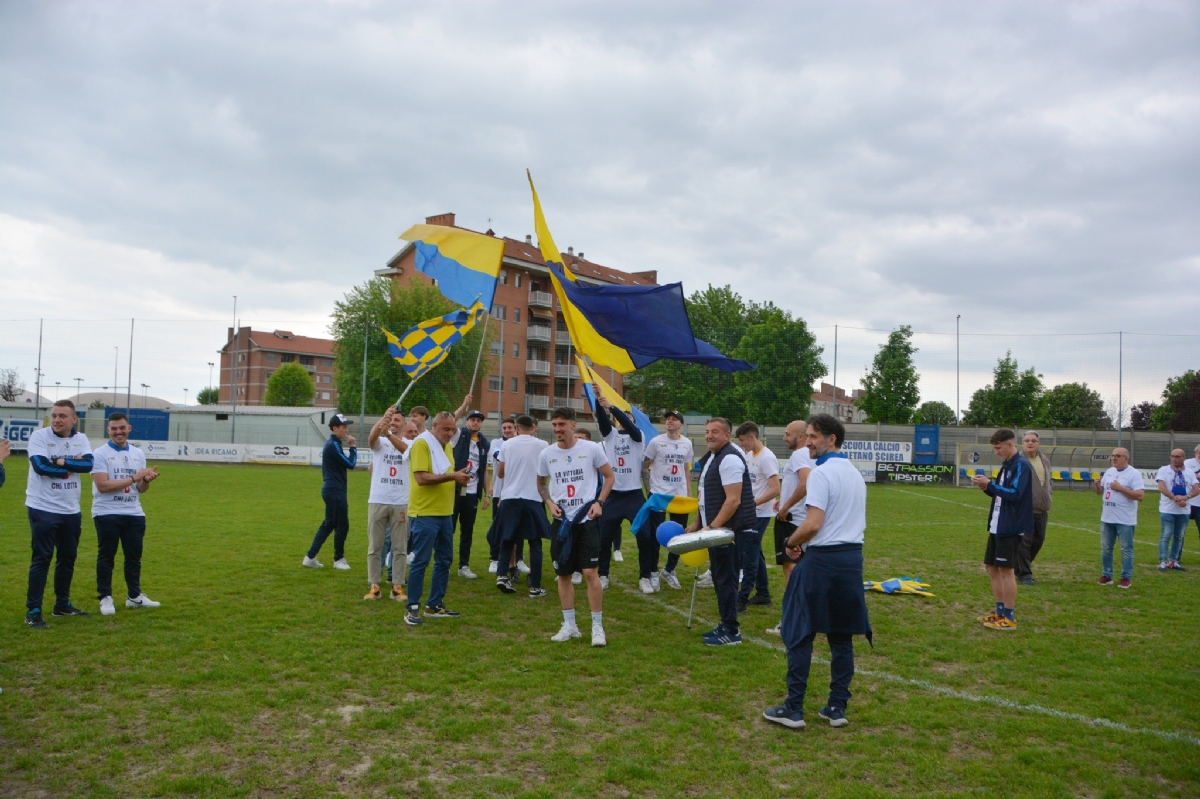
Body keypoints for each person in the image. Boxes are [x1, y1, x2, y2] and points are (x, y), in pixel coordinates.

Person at [763, 413, 871, 730]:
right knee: (841, 637)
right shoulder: (854, 473)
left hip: (822, 559)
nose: (807, 442)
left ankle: (793, 709)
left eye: (812, 437)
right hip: (852, 561)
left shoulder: (822, 474)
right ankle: (836, 708)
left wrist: (791, 544)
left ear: (831, 439)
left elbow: (813, 523)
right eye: (807, 436)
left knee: (799, 632)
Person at [538, 406, 615, 646]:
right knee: (563, 575)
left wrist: (600, 502)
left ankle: (597, 627)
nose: (557, 429)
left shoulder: (591, 449)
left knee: (591, 573)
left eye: (562, 425)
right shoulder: (547, 453)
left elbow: (609, 476)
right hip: (562, 523)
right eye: (554, 425)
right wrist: (549, 502)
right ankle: (570, 625)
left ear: (573, 425)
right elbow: (541, 483)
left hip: (586, 520)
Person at [24, 400, 94, 628]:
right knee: (42, 558)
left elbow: (89, 465)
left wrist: (60, 461)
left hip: (70, 509)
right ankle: (33, 610)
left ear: (74, 419)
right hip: (42, 506)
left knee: (67, 558)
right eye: (54, 415)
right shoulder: (39, 437)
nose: (56, 420)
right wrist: (73, 464)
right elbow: (40, 467)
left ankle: (61, 605)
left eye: (62, 416)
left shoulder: (81, 439)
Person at [689, 417, 756, 647]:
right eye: (707, 431)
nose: (709, 435)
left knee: (726, 580)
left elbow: (733, 501)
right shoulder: (715, 457)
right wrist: (699, 522)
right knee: (720, 579)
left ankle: (732, 631)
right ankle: (725, 624)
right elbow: (706, 496)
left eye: (715, 431)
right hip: (717, 531)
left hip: (728, 532)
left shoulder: (729, 459)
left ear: (727, 435)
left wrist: (712, 527)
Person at [91, 412, 161, 616]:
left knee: (133, 557)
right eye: (114, 428)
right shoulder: (100, 453)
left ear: (129, 428)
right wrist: (134, 478)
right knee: (106, 556)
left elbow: (140, 489)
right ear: (108, 430)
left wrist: (146, 479)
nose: (118, 432)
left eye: (122, 428)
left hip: (134, 513)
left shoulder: (137, 453)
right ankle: (105, 597)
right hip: (107, 512)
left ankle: (134, 596)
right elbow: (102, 486)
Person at [404, 411, 471, 625]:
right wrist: (453, 476)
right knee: (421, 561)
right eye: (445, 429)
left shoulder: (447, 446)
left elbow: (444, 473)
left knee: (444, 560)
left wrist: (459, 475)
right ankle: (412, 608)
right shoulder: (422, 444)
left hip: (444, 513)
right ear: (434, 426)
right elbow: (421, 478)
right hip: (424, 513)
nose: (449, 433)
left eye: (452, 430)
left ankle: (435, 604)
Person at [970, 428, 1031, 631]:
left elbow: (1015, 494)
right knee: (991, 568)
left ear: (1010, 444)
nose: (997, 452)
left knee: (1006, 570)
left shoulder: (1021, 465)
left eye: (998, 448)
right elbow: (1000, 495)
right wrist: (986, 488)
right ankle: (999, 612)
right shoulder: (1006, 466)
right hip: (998, 525)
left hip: (1010, 526)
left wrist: (991, 485)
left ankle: (1009, 616)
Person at [594, 390, 646, 591]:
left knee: (644, 536)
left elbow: (631, 427)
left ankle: (645, 576)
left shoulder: (638, 437)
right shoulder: (609, 436)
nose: (623, 421)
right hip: (613, 495)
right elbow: (602, 421)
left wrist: (611, 407)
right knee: (604, 538)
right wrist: (599, 403)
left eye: (628, 418)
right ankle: (603, 574)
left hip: (634, 495)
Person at [494, 415, 550, 597]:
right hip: (533, 497)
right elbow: (546, 472)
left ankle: (502, 575)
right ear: (533, 426)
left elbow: (500, 472)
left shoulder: (507, 444)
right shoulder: (542, 445)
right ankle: (535, 585)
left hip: (510, 497)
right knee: (535, 541)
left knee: (507, 538)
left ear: (516, 427)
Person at [768, 420, 813, 636]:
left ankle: (790, 622)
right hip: (804, 519)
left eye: (788, 434)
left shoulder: (799, 455)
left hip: (792, 522)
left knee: (791, 571)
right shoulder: (813, 456)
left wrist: (786, 507)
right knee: (803, 571)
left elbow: (806, 483)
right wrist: (785, 500)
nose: (785, 438)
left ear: (802, 436)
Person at [640, 410, 693, 592]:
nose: (670, 421)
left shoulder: (687, 443)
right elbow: (645, 467)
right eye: (668, 418)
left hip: (679, 496)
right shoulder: (656, 442)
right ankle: (653, 572)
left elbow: (686, 468)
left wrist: (688, 492)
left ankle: (669, 570)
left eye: (674, 419)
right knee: (656, 536)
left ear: (681, 425)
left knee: (679, 536)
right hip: (659, 495)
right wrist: (650, 491)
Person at [365, 408, 410, 602]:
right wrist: (381, 422)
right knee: (375, 545)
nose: (393, 422)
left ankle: (397, 586)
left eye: (397, 420)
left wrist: (388, 433)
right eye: (390, 420)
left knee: (400, 547)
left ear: (404, 424)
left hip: (400, 501)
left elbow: (405, 451)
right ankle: (374, 585)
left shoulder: (410, 443)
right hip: (378, 499)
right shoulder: (380, 442)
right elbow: (371, 439)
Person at [303, 413, 357, 570]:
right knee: (342, 524)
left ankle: (310, 557)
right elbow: (350, 463)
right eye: (343, 427)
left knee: (329, 524)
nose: (346, 430)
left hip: (332, 489)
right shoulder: (333, 445)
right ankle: (338, 559)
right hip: (334, 490)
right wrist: (353, 447)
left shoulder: (334, 444)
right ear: (335, 428)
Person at [735, 421, 780, 611]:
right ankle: (763, 594)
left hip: (760, 514)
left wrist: (752, 504)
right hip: (750, 513)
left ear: (752, 437)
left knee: (749, 555)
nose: (742, 444)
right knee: (756, 553)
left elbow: (775, 489)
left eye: (743, 440)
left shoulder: (767, 457)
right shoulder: (749, 456)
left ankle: (742, 599)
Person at [1093, 448, 1144, 588]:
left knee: (1126, 549)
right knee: (1106, 549)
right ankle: (1106, 575)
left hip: (1125, 520)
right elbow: (1101, 492)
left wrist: (1121, 488)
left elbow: (1140, 496)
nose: (1114, 458)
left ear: (1126, 458)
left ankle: (1125, 577)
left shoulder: (1134, 474)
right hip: (1107, 518)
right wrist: (1097, 486)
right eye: (1113, 456)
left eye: (1118, 456)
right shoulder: (1109, 471)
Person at [450, 407, 489, 580]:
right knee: (448, 529)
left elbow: (484, 471)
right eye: (472, 419)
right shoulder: (460, 435)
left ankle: (463, 565)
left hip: (472, 493)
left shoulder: (484, 443)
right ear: (466, 422)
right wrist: (463, 405)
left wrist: (487, 493)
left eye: (479, 420)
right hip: (454, 490)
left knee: (467, 531)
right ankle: (444, 562)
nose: (475, 422)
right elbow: (451, 422)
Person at [1015, 431, 1053, 586]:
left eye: (1033, 440)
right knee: (1025, 541)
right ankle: (1024, 574)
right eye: (1026, 441)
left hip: (1042, 509)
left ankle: (1017, 566)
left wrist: (1050, 492)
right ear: (1022, 443)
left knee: (1039, 540)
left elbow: (1047, 480)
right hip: (1025, 510)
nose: (1030, 443)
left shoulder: (1044, 460)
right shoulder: (1018, 460)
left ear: (1038, 443)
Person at [1156, 449, 1199, 572]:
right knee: (1166, 534)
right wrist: (1174, 498)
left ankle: (1174, 561)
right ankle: (1163, 560)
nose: (1174, 459)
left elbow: (1196, 489)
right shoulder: (1164, 470)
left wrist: (1186, 497)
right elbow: (1161, 487)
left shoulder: (1189, 472)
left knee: (1179, 536)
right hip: (1167, 509)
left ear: (1183, 458)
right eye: (1172, 456)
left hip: (1184, 509)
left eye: (1178, 457)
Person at [486, 417, 518, 574]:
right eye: (504, 427)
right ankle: (494, 558)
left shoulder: (520, 442)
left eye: (509, 427)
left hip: (517, 492)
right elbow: (501, 456)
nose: (507, 430)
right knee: (498, 526)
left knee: (518, 528)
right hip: (500, 493)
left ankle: (518, 560)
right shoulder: (496, 443)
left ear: (515, 428)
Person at [1187, 445, 1200, 548]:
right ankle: (1176, 558)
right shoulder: (1188, 463)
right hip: (1188, 502)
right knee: (1180, 532)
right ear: (1196, 453)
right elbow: (1185, 475)